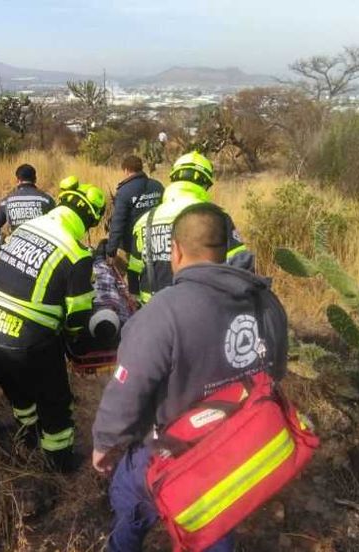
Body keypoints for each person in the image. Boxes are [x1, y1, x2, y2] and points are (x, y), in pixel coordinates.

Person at [91, 203, 289, 552]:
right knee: (215, 521)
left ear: (176, 250)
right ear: (225, 249)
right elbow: (276, 372)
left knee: (128, 495)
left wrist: (105, 444)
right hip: (237, 448)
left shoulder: (162, 313)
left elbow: (128, 390)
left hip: (169, 452)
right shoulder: (266, 303)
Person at [0, 177, 106, 472]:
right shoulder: (77, 254)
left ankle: (27, 436)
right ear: (89, 221)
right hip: (26, 343)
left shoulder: (25, 228)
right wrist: (76, 344)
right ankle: (59, 465)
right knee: (55, 402)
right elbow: (77, 316)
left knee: (19, 393)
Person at [127, 152, 253, 305]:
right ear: (204, 183)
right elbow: (240, 265)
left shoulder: (144, 221)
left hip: (153, 310)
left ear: (173, 179)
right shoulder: (215, 217)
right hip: (199, 309)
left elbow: (134, 269)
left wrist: (135, 299)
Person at [105, 155, 163, 263]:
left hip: (134, 246)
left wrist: (111, 251)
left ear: (126, 170)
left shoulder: (124, 191)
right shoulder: (158, 186)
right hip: (159, 242)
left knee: (135, 275)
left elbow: (117, 224)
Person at [0, 163, 55, 246]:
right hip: (40, 250)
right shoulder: (47, 200)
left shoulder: (7, 201)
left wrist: (3, 245)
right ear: (35, 180)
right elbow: (56, 226)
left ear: (18, 180)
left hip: (15, 250)